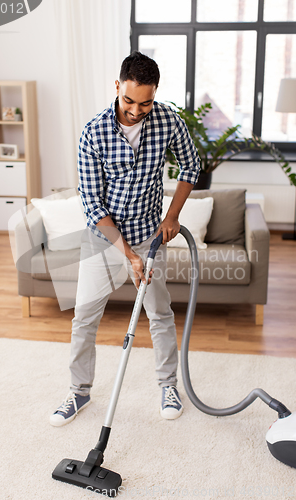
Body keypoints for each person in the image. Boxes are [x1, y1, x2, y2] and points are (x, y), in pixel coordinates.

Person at [50, 51, 200, 427]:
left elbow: (192, 165)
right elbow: (92, 204)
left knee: (159, 313)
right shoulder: (93, 133)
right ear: (117, 87)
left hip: (150, 232)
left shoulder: (166, 120)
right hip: (104, 237)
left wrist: (172, 216)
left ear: (156, 94)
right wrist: (128, 256)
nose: (136, 110)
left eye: (145, 103)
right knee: (84, 316)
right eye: (129, 100)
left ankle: (168, 385)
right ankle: (79, 391)